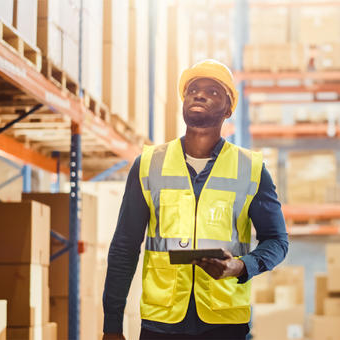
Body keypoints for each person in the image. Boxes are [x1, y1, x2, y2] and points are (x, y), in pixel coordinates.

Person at [102, 60, 288, 340]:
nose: (199, 95)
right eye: (193, 89)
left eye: (213, 91)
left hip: (225, 325)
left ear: (228, 109)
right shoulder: (148, 165)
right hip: (160, 323)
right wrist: (112, 325)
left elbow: (277, 241)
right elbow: (124, 247)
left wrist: (240, 266)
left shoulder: (251, 168)